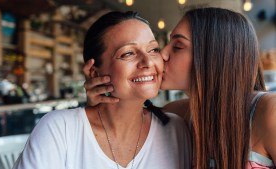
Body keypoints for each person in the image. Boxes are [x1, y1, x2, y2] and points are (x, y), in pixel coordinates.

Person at [83, 8, 276, 169]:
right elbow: (120, 123)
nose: (161, 55)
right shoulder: (177, 115)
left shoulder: (269, 112)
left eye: (177, 46)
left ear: (213, 55)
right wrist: (100, 102)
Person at [13, 11, 192, 169]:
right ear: (94, 72)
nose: (148, 62)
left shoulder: (175, 130)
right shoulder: (61, 129)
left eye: (153, 49)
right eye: (128, 53)